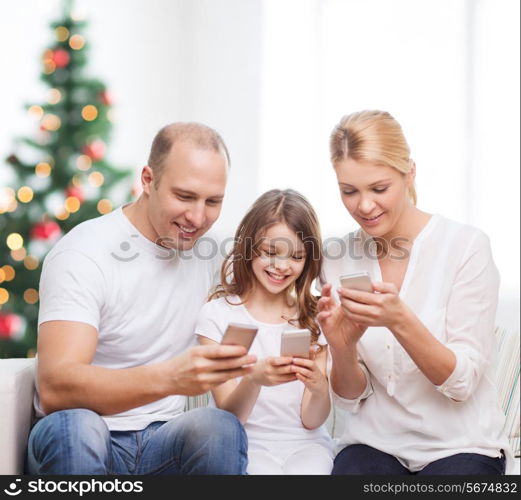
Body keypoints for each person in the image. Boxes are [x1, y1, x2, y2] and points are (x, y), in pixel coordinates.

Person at [26, 122, 257, 475]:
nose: (197, 217)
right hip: (86, 434)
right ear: (148, 180)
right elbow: (57, 387)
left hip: (162, 440)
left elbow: (283, 280)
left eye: (213, 201)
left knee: (218, 428)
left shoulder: (207, 253)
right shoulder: (84, 252)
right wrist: (170, 378)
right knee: (76, 427)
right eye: (184, 196)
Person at [318, 110, 514, 475]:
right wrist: (341, 347)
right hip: (373, 444)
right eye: (349, 191)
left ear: (409, 173)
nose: (364, 205)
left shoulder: (466, 247)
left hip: (460, 446)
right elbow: (349, 397)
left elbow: (462, 383)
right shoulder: (337, 258)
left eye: (379, 188)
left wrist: (399, 319)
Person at [195, 189, 334, 475]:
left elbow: (311, 420)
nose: (281, 266)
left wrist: (319, 388)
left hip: (307, 445)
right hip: (246, 444)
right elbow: (230, 418)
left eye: (296, 256)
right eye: (270, 252)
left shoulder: (315, 318)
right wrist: (255, 380)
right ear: (249, 247)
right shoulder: (218, 315)